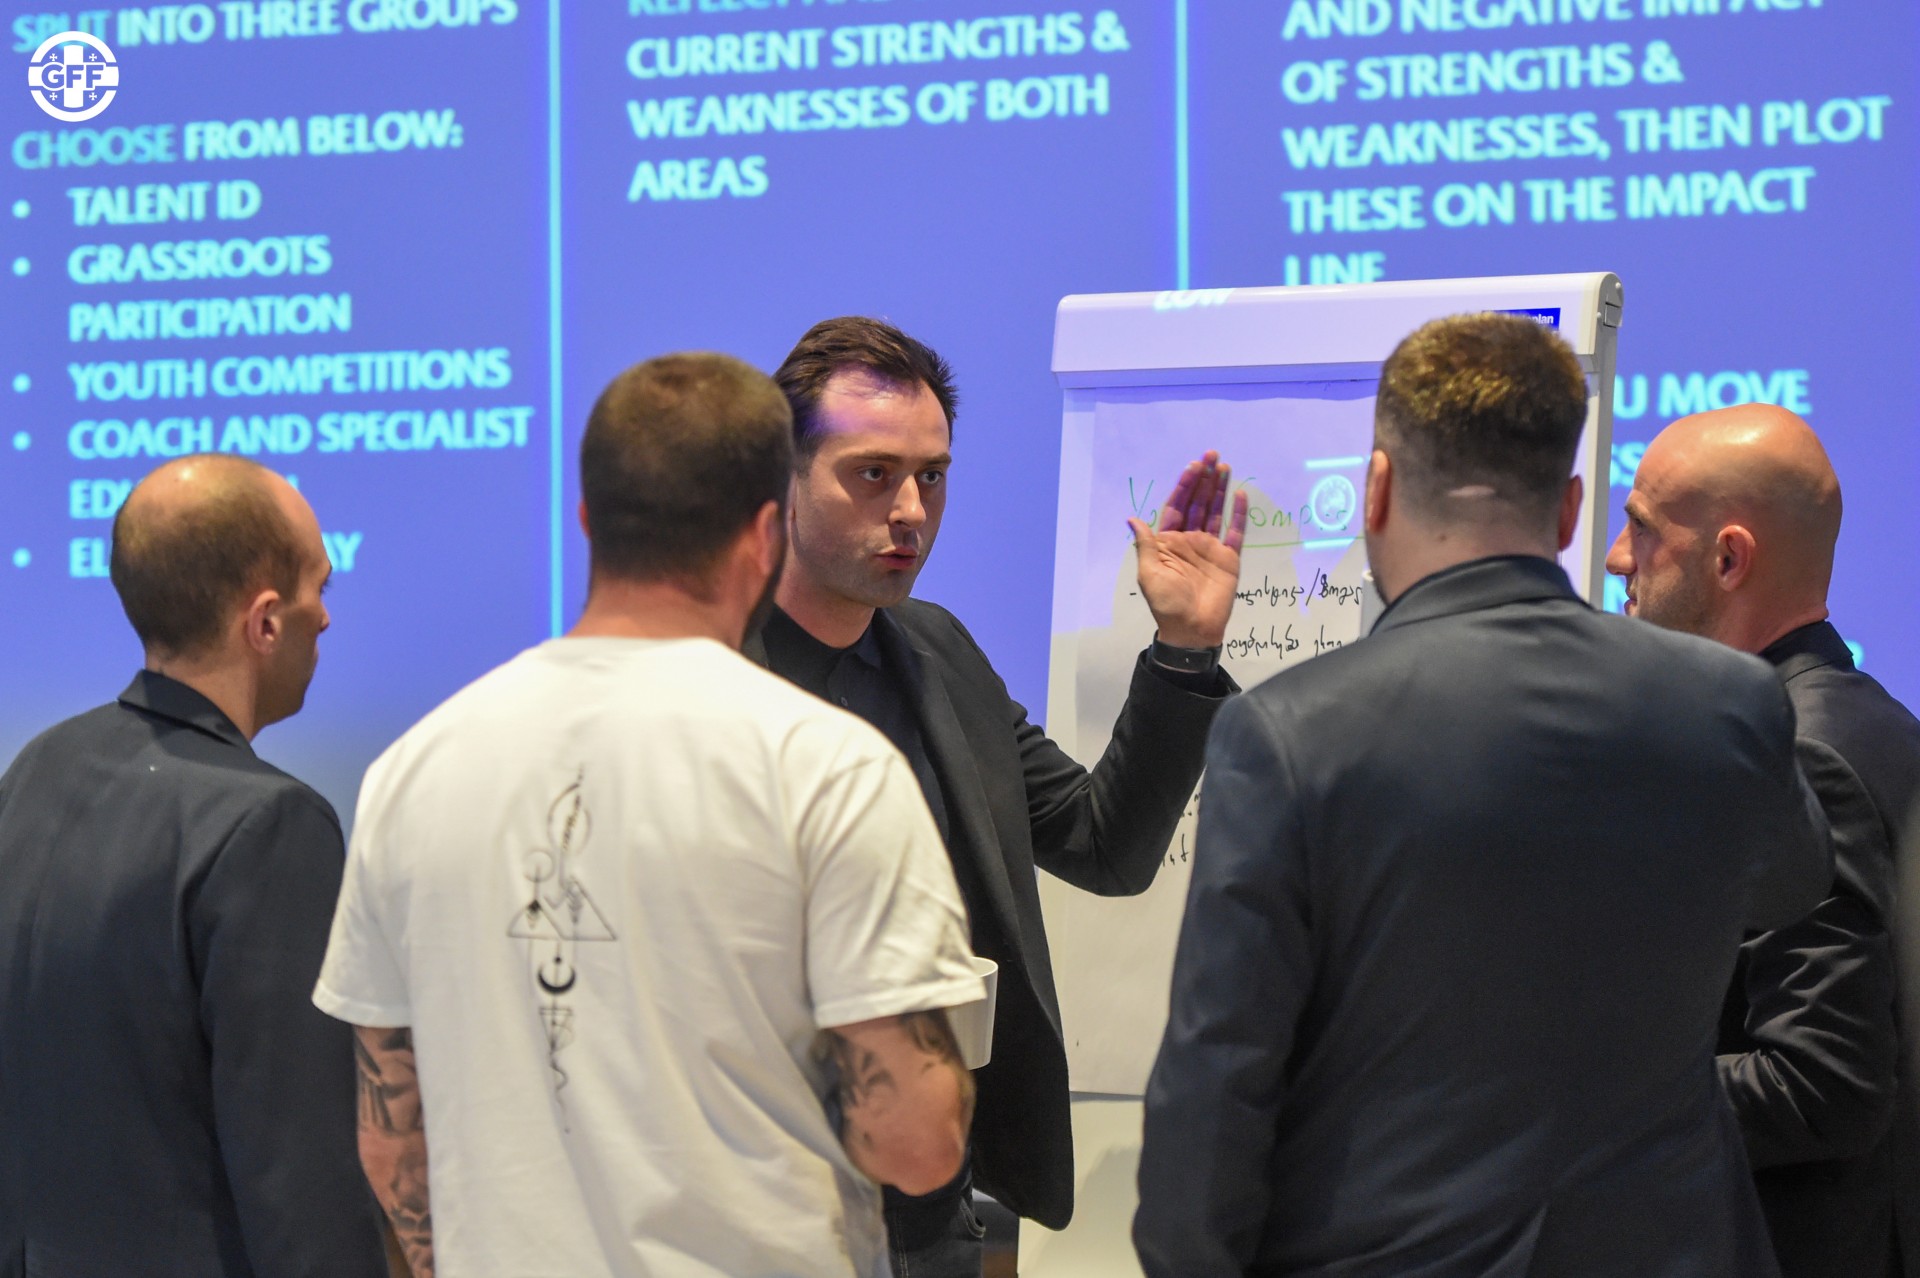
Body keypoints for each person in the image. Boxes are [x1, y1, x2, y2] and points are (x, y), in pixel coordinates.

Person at [1135, 312, 1834, 1277]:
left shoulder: (1289, 734)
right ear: (1570, 509)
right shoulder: (1730, 703)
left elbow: (1216, 1094)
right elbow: (1794, 886)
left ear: (1376, 490)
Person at [313, 352, 983, 1278]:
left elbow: (392, 1143)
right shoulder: (829, 769)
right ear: (767, 532)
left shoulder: (411, 771)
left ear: (589, 520)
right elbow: (917, 1143)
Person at [752, 316, 1246, 1273]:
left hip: (936, 1212)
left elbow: (1103, 845)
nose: (910, 510)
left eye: (931, 476)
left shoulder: (935, 651)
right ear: (782, 477)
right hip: (766, 1204)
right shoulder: (704, 683)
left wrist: (1183, 651)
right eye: (872, 473)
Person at [0, 456, 384, 1277]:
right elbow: (301, 1187)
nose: (327, 616)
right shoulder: (269, 828)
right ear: (265, 621)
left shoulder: (36, 768)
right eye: (320, 586)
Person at [1608, 402, 1920, 1278]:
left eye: (1641, 526)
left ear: (1729, 559)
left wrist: (1588, 1091)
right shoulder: (1877, 724)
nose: (1617, 556)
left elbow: (1820, 1083)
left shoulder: (1791, 756)